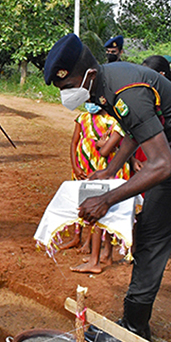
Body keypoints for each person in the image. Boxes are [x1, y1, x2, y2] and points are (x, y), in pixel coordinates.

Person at [44, 33, 171, 342]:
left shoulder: (125, 91)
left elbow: (162, 165)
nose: (66, 94)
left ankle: (135, 331)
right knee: (147, 227)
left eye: (68, 86)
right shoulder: (106, 83)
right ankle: (132, 322)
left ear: (88, 74)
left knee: (151, 233)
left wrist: (106, 199)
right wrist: (111, 170)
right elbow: (136, 130)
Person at [63, 102, 130, 274]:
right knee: (100, 211)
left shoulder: (114, 123)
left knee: (99, 211)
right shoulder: (86, 119)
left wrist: (101, 145)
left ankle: (95, 260)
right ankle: (104, 254)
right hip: (102, 170)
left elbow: (105, 151)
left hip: (106, 170)